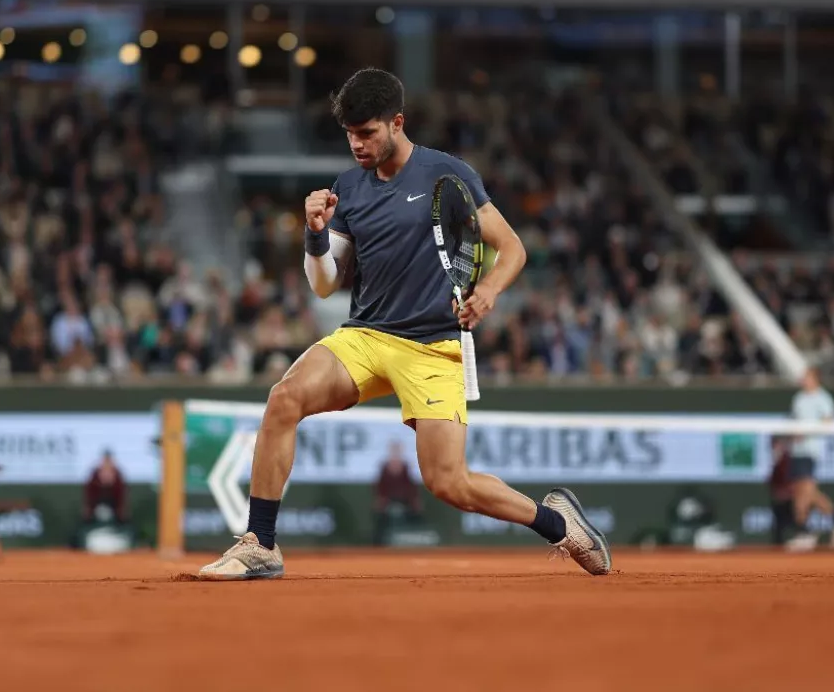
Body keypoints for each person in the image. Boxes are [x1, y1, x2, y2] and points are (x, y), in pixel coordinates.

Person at [198, 68, 611, 579]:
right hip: (366, 336)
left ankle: (559, 523)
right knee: (284, 398)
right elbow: (325, 284)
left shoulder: (447, 173)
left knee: (448, 483)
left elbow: (512, 248)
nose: (357, 144)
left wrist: (487, 292)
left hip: (433, 346)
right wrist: (313, 233)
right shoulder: (347, 186)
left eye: (367, 132)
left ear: (397, 122)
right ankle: (261, 542)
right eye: (350, 134)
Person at [786, 367, 834, 551]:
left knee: (806, 491)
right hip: (796, 451)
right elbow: (793, 422)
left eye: (806, 377)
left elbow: (829, 420)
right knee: (800, 493)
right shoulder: (798, 398)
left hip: (811, 450)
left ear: (815, 379)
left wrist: (808, 431)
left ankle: (820, 527)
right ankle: (811, 530)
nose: (803, 380)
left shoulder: (823, 398)